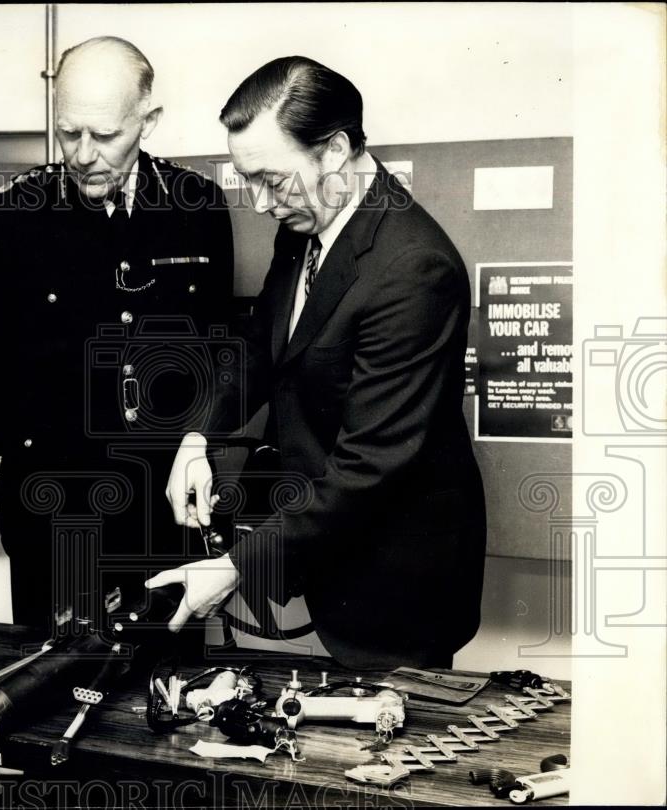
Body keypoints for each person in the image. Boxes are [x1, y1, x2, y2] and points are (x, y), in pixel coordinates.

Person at [151, 56, 486, 669]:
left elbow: (370, 466)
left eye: (272, 180)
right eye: (247, 180)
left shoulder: (415, 269)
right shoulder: (307, 222)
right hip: (324, 558)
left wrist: (234, 568)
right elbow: (262, 346)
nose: (259, 202)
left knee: (380, 761)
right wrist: (196, 438)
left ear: (334, 150)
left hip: (396, 586)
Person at [0, 37, 234, 631]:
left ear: (148, 121)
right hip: (55, 515)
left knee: (169, 702)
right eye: (68, 133)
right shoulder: (10, 219)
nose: (82, 155)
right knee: (48, 701)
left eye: (104, 136)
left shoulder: (198, 209)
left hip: (163, 517)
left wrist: (191, 447)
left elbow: (212, 347)